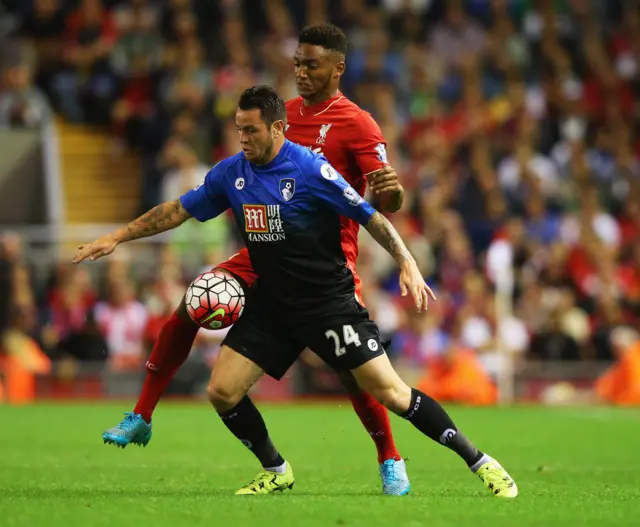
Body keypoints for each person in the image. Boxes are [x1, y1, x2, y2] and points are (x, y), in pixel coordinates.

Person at [74, 85, 518, 498]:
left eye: (251, 130)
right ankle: (276, 469)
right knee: (222, 391)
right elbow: (176, 210)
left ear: (277, 128)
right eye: (238, 130)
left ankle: (479, 461)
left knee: (392, 393)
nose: (243, 138)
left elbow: (370, 215)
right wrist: (118, 236)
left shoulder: (310, 170)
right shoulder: (232, 173)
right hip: (273, 303)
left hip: (327, 303)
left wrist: (406, 259)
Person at [101, 24, 413, 495]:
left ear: (337, 68)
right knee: (195, 300)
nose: (301, 72)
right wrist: (120, 236)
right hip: (265, 247)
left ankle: (390, 457)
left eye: (311, 64)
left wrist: (394, 195)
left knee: (352, 371)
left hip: (326, 261)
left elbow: (381, 204)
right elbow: (234, 178)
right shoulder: (277, 115)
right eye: (297, 64)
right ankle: (141, 415)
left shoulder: (358, 123)